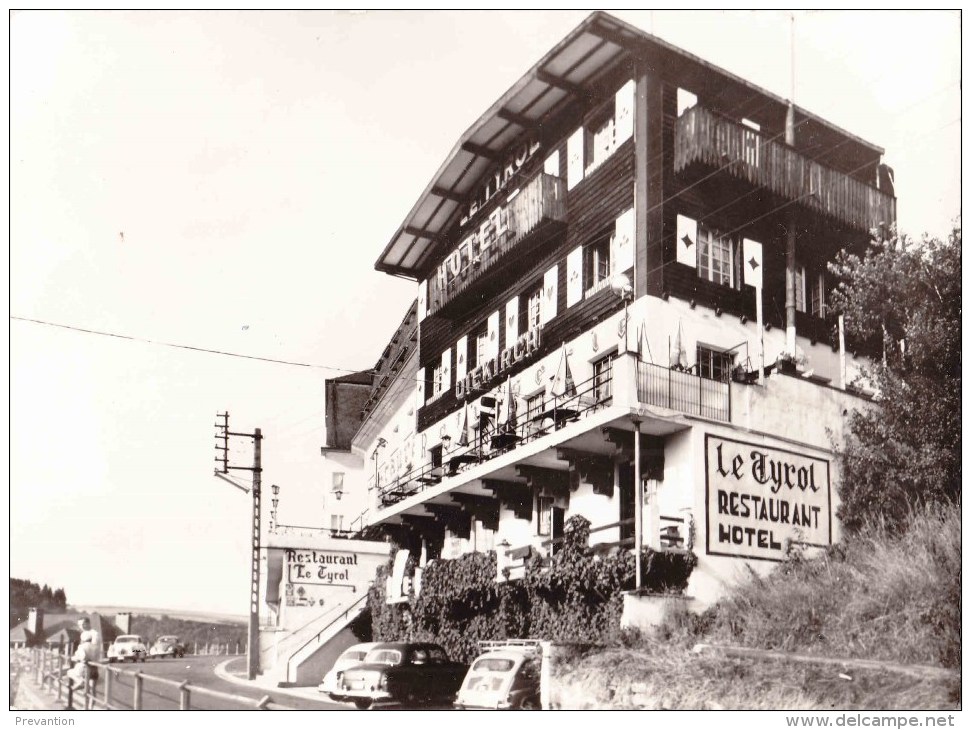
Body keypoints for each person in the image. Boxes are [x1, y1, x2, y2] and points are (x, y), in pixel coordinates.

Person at [68, 617, 102, 692]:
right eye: (80, 625)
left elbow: (93, 648)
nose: (82, 626)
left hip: (90, 663)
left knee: (91, 687)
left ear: (88, 623)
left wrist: (80, 657)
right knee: (90, 688)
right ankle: (87, 700)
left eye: (84, 624)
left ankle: (81, 684)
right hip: (87, 662)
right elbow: (83, 649)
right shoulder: (83, 634)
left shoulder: (94, 633)